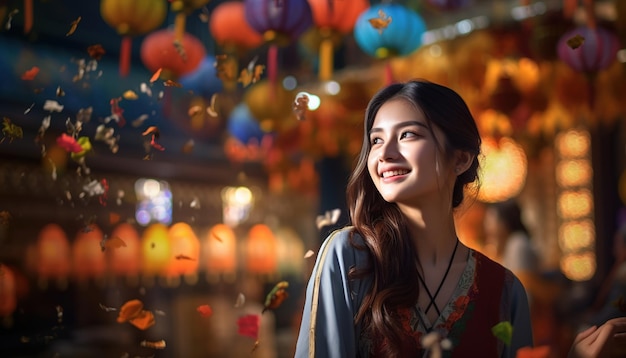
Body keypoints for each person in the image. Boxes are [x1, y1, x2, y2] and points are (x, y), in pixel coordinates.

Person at [294, 79, 533, 357]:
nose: (384, 154)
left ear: (461, 159)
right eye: (376, 140)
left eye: (407, 135)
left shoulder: (504, 290)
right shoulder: (350, 257)